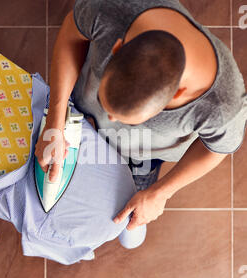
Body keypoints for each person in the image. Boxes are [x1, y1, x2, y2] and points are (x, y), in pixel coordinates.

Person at [35, 0, 247, 235]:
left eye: (127, 118)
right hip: (77, 107)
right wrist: (55, 122)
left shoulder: (222, 106)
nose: (109, 119)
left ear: (177, 94)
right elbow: (71, 34)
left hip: (143, 156)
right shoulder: (108, 9)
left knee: (126, 209)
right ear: (116, 47)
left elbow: (215, 150)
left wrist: (159, 193)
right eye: (107, 103)